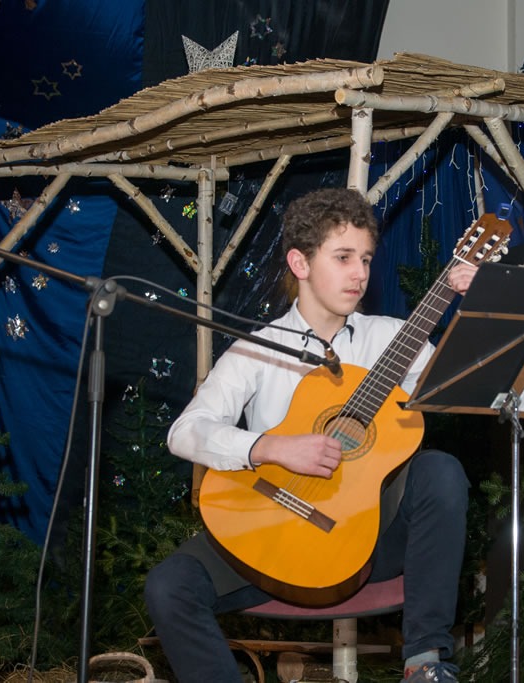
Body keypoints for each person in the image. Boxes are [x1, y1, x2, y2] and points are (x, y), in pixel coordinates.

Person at [145, 188, 475, 683]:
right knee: (169, 586)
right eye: (342, 257)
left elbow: (468, 388)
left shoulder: (393, 338)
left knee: (439, 470)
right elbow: (185, 432)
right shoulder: (258, 349)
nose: (359, 273)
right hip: (271, 531)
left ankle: (424, 663)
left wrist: (473, 304)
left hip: (365, 537)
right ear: (299, 262)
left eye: (366, 259)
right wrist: (270, 447)